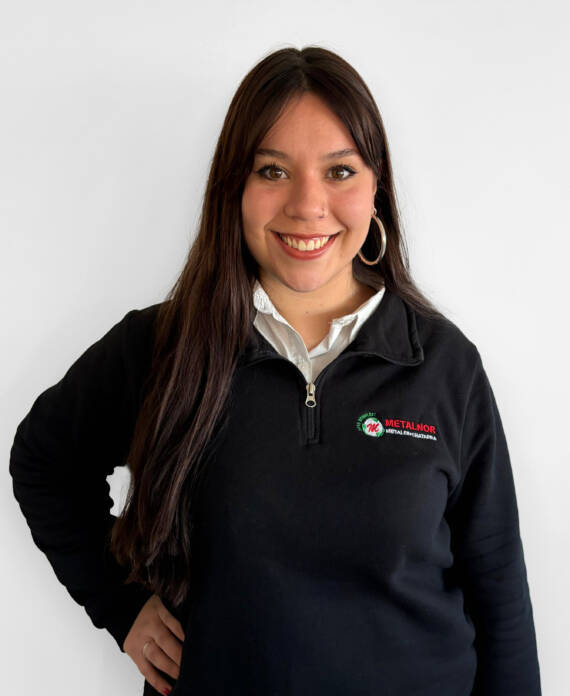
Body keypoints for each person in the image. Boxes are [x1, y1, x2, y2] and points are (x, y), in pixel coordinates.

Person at [9, 45, 541, 696]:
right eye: (273, 171)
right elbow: (43, 461)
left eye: (340, 171)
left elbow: (497, 581)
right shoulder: (162, 349)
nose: (308, 205)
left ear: (376, 186)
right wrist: (121, 607)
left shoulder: (443, 364)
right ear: (234, 189)